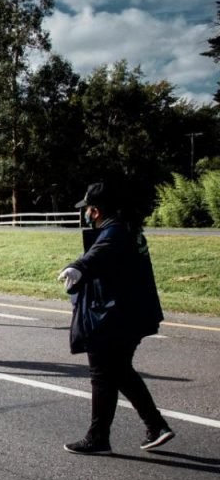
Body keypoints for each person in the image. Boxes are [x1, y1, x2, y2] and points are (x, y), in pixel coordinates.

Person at [58, 182, 174, 455]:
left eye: (87, 208)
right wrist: (81, 264)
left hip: (113, 316)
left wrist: (78, 267)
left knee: (103, 374)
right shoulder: (127, 229)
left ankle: (99, 438)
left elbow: (99, 253)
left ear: (95, 211)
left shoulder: (115, 232)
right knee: (119, 371)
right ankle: (155, 426)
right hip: (131, 314)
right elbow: (101, 252)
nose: (85, 212)